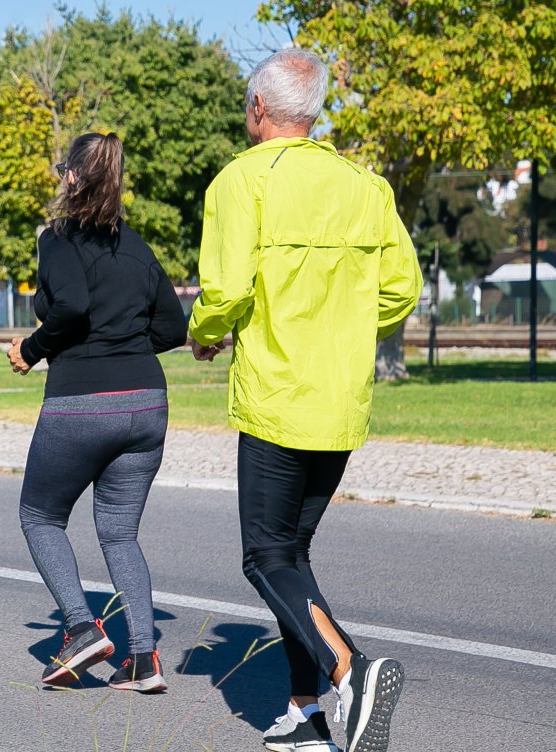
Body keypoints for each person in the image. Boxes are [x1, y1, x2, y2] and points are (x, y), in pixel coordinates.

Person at [187, 49, 420, 752]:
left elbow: (225, 292)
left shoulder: (239, 181)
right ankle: (303, 713)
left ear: (259, 108)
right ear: (312, 111)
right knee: (295, 554)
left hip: (277, 397)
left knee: (264, 557)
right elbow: (400, 290)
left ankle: (352, 666)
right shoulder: (366, 185)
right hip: (341, 401)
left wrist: (205, 331)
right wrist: (343, 325)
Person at [6, 133, 186, 693]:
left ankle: (82, 628)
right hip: (146, 405)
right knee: (120, 535)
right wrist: (126, 350)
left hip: (81, 403)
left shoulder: (56, 239)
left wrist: (31, 350)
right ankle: (142, 659)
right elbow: (174, 328)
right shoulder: (137, 247)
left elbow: (73, 307)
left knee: (40, 516)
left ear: (73, 177)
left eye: (63, 169)